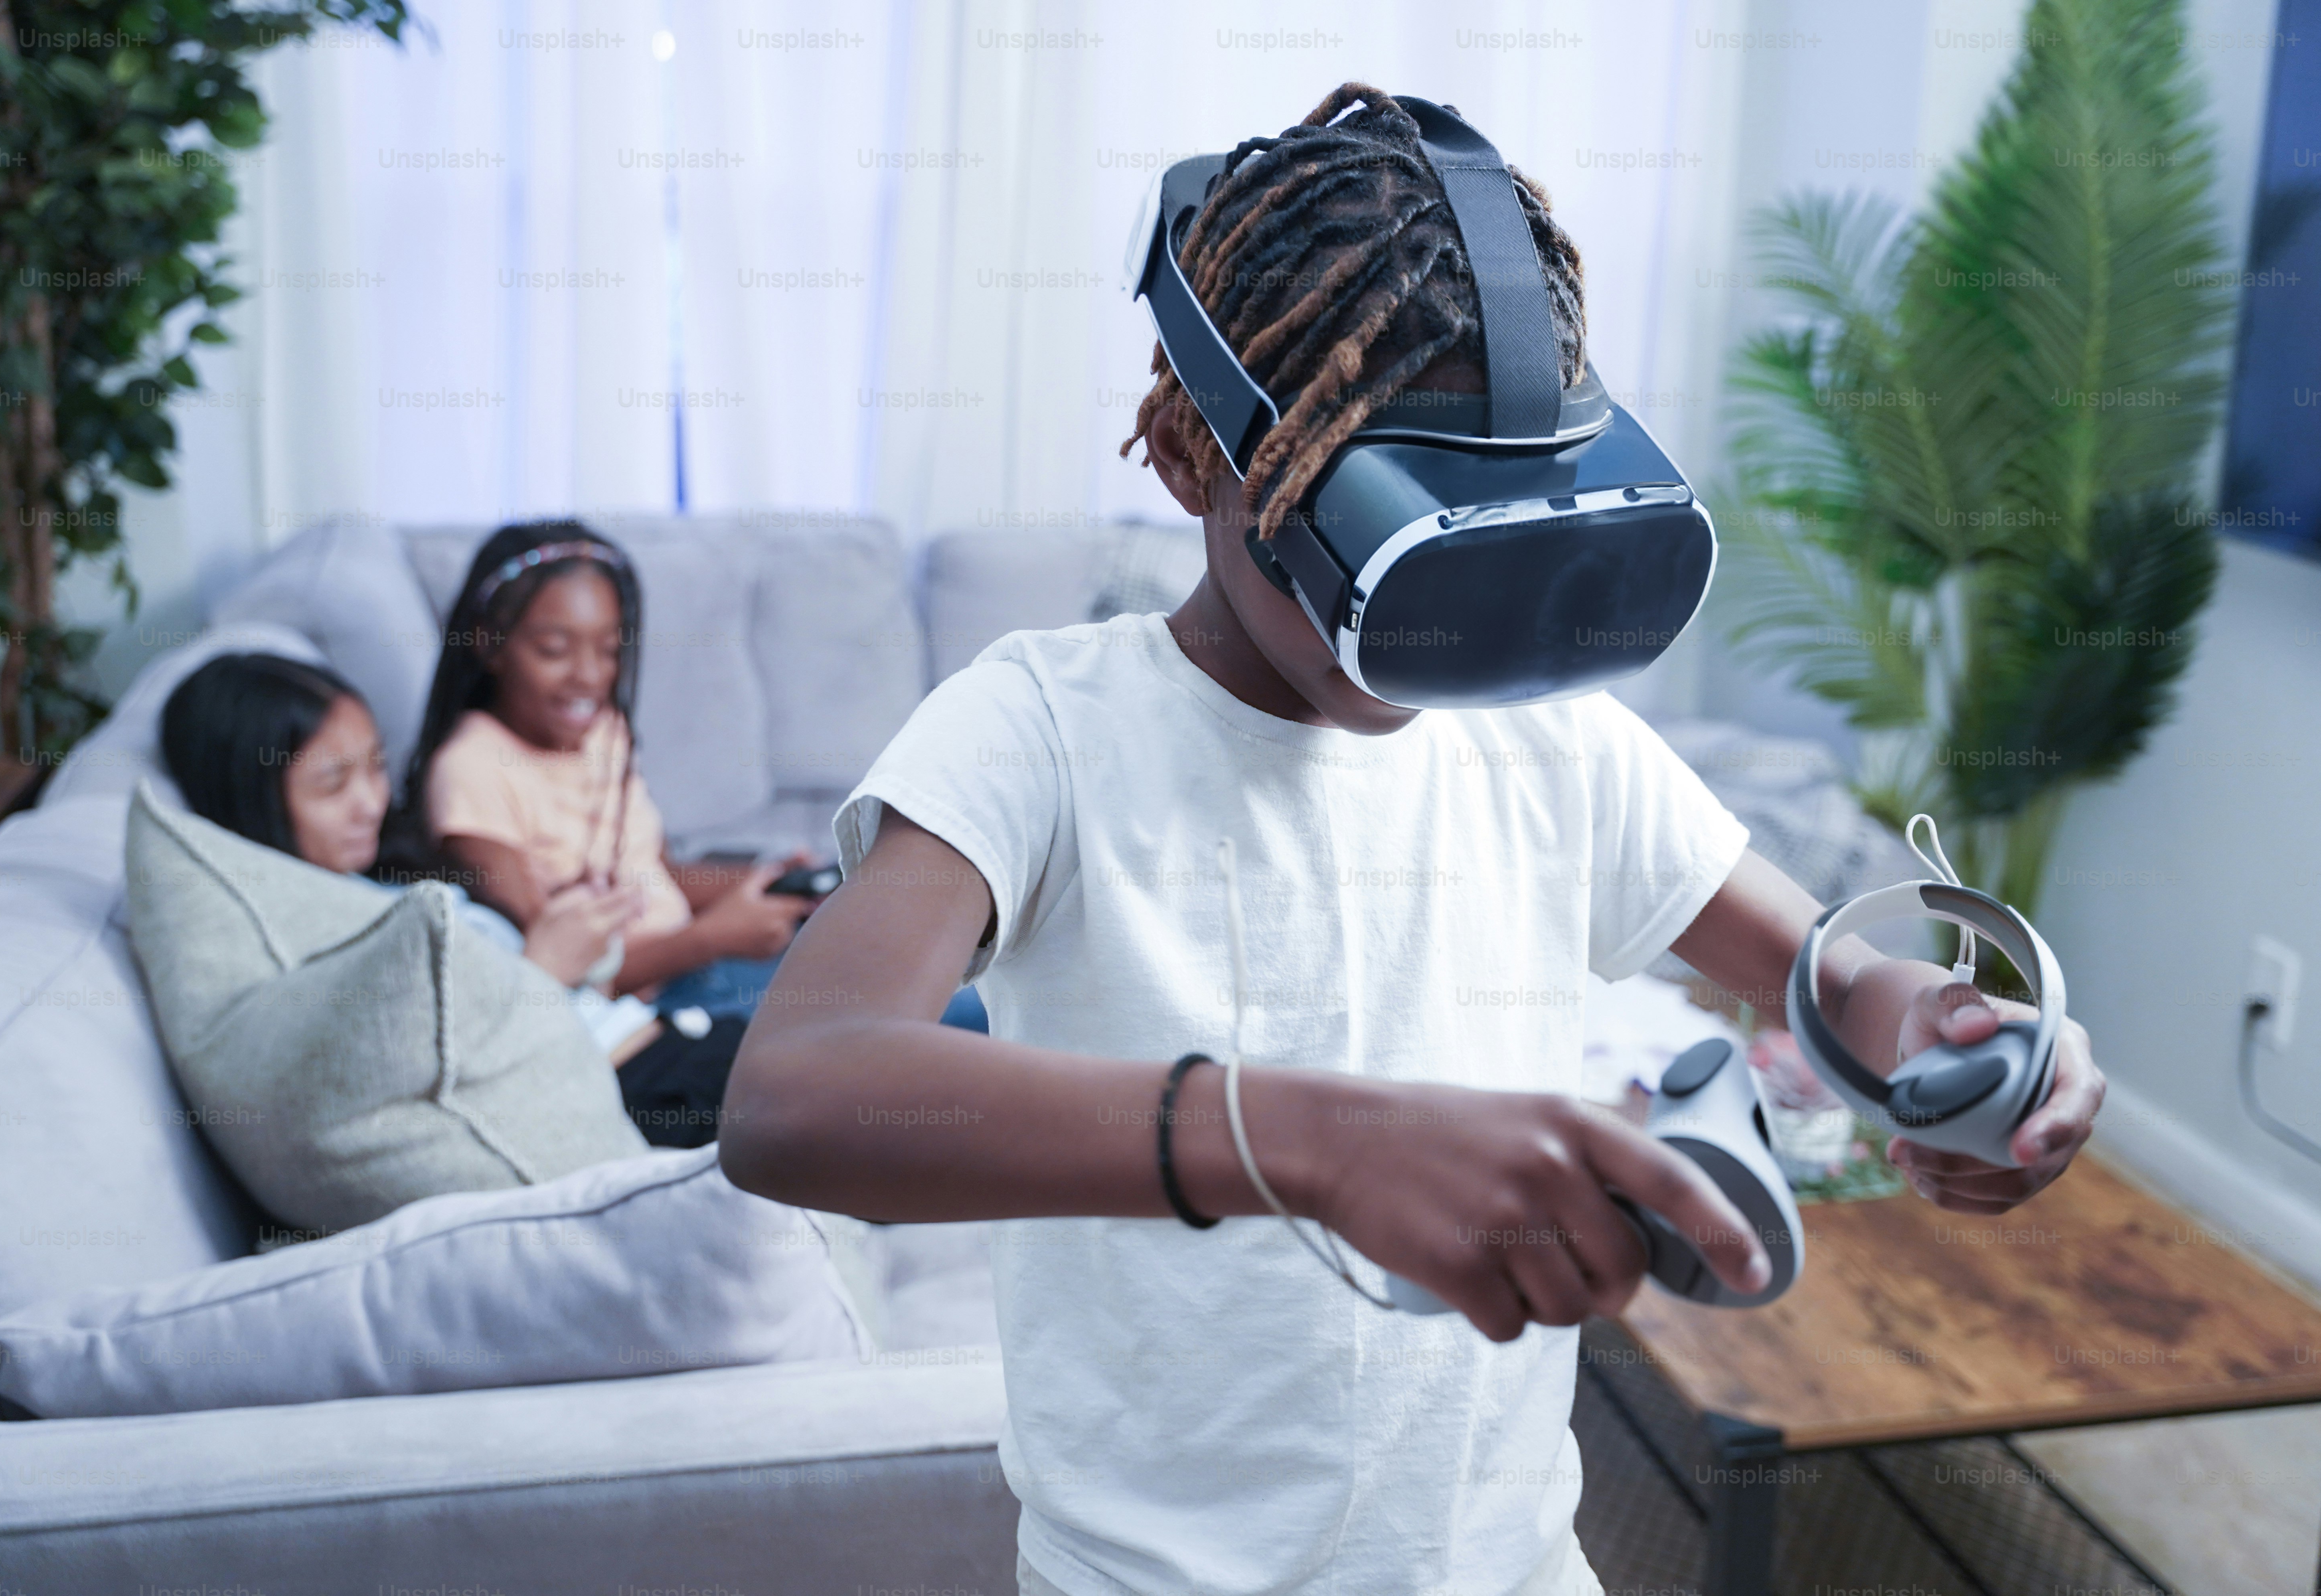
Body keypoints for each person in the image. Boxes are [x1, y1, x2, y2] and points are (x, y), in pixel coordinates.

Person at [715, 85, 2106, 1596]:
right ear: (1193, 459)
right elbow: (796, 1099)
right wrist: (1315, 1144)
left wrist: (1950, 1043)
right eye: (1365, 540)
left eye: (1483, 532)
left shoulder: (1547, 740)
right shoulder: (1042, 732)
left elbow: (1833, 981)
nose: (1427, 635)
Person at [395, 519, 985, 1031]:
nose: (589, 677)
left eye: (608, 649)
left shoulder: (601, 731)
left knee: (951, 982)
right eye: (554, 649)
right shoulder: (471, 775)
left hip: (703, 960)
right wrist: (716, 938)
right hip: (659, 1002)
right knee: (930, 1017)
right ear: (490, 645)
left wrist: (763, 883)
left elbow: (646, 872)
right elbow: (565, 973)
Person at [160, 651, 743, 1148]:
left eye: (377, 767)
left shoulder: (373, 880)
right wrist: (545, 966)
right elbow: (432, 1059)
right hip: (637, 1086)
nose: (372, 802)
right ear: (250, 800)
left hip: (659, 1036)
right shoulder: (312, 937)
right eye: (334, 784)